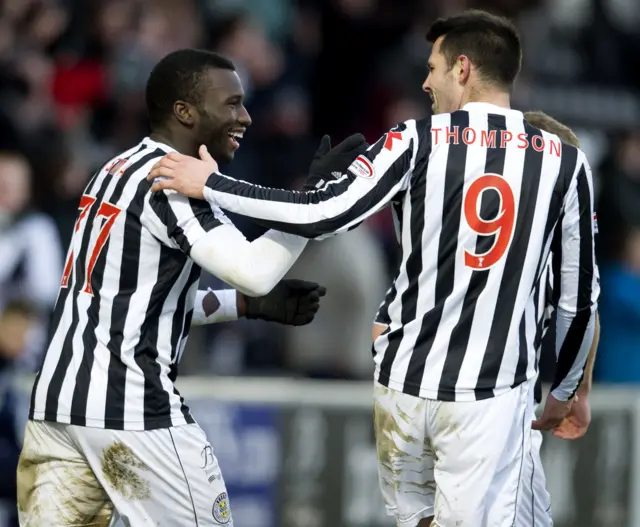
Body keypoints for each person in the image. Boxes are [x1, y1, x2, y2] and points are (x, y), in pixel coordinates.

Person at [149, 10, 600, 527]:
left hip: (403, 387)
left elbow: (322, 213)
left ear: (463, 69)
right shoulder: (563, 161)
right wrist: (566, 391)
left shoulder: (413, 138)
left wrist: (212, 183)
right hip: (488, 395)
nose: (426, 81)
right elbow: (577, 300)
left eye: (433, 68)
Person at [17, 49, 327, 527]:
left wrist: (243, 306)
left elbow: (129, 299)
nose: (244, 116)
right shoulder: (173, 180)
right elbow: (255, 268)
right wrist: (311, 206)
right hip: (129, 410)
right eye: (231, 103)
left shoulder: (114, 169)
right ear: (184, 111)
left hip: (57, 410)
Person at [371, 109, 601, 526]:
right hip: (497, 412)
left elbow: (383, 322)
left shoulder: (444, 244)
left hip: (413, 393)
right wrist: (576, 392)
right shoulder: (541, 251)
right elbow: (583, 307)